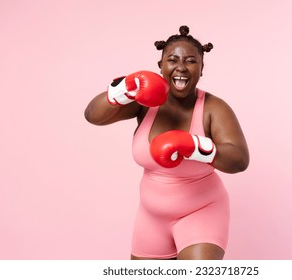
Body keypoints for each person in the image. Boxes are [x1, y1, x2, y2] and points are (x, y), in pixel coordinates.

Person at [84, 26, 249, 260]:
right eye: (172, 60)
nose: (181, 67)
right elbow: (93, 115)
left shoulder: (214, 107)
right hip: (151, 218)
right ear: (160, 66)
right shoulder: (145, 102)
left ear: (202, 69)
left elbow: (239, 159)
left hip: (202, 213)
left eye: (191, 61)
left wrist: (194, 146)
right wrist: (123, 89)